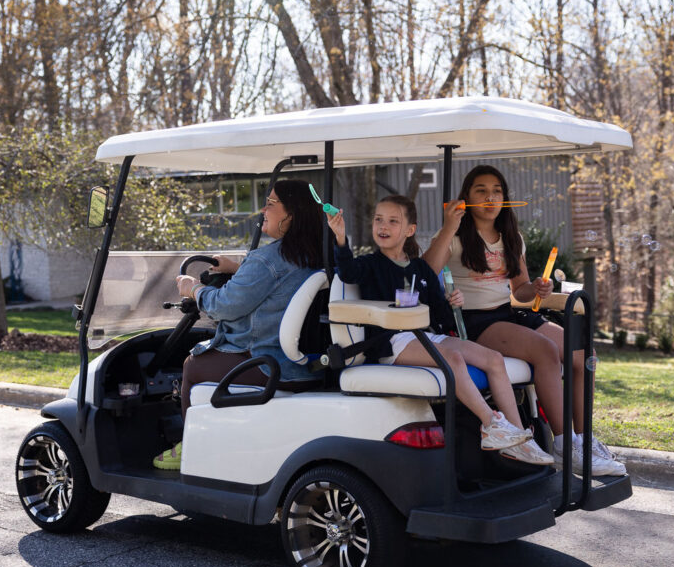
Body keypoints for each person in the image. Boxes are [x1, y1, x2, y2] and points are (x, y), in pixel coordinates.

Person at [422, 165, 625, 475]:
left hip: (507, 314)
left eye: (497, 191)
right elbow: (425, 273)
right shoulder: (454, 236)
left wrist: (539, 288)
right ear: (467, 197)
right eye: (481, 191)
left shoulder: (511, 237)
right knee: (545, 351)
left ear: (505, 198)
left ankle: (584, 440)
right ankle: (562, 445)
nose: (490, 197)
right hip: (474, 323)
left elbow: (522, 291)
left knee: (584, 353)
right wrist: (449, 226)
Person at [327, 194, 553, 465]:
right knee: (453, 359)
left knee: (492, 359)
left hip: (424, 335)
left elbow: (441, 316)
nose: (383, 226)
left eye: (392, 221)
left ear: (410, 230)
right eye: (378, 220)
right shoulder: (370, 265)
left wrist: (453, 302)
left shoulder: (420, 269)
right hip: (390, 341)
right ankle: (491, 425)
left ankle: (518, 439)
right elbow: (348, 272)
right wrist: (341, 238)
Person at [153, 179, 324, 469]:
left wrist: (193, 289)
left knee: (191, 366)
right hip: (307, 365)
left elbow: (224, 306)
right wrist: (236, 268)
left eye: (270, 203)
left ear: (290, 214)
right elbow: (272, 281)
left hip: (267, 364)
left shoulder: (267, 260)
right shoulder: (317, 255)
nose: (263, 209)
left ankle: (192, 446)